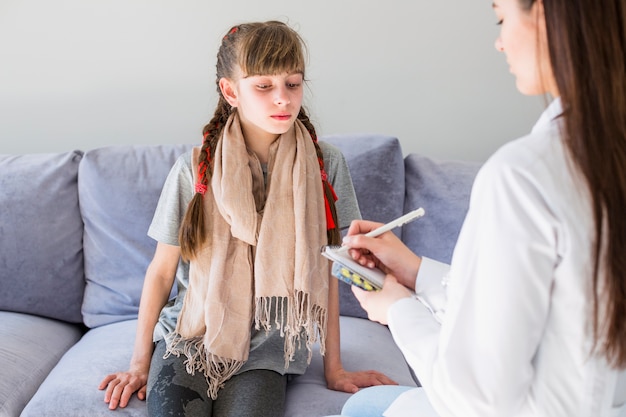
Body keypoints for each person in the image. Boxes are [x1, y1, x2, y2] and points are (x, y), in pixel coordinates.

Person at [330, 0, 626, 416]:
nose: (500, 43)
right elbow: (539, 306)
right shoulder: (599, 156)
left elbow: (475, 398)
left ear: (541, 16)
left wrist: (396, 308)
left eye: (502, 18)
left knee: (362, 409)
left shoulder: (524, 176)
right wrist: (417, 273)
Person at [98, 20, 394, 416]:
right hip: (189, 337)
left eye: (292, 83)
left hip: (270, 350)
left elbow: (328, 272)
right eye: (264, 86)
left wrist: (335, 369)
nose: (283, 100)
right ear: (230, 91)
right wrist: (138, 363)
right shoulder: (194, 170)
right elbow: (162, 272)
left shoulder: (325, 165)